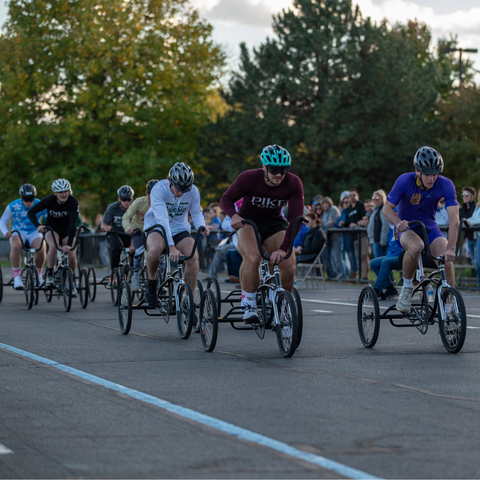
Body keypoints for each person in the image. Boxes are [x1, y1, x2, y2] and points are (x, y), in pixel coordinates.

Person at [220, 144, 304, 323]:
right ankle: (249, 303)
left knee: (289, 265)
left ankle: (283, 305)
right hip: (249, 220)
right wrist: (233, 215)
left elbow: (297, 219)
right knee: (253, 257)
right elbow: (226, 198)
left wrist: (282, 249)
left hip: (274, 222)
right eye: (274, 169)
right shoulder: (249, 177)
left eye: (284, 170)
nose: (279, 174)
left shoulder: (293, 182)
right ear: (264, 166)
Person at [383, 146, 459, 314]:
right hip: (407, 227)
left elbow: (454, 219)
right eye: (427, 174)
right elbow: (386, 209)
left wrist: (451, 248)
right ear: (417, 171)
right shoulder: (404, 180)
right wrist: (398, 222)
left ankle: (449, 307)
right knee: (416, 246)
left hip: (430, 227)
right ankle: (407, 289)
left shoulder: (446, 184)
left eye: (435, 173)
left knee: (446, 257)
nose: (432, 178)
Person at [143, 162, 210, 305]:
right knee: (154, 249)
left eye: (186, 189)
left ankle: (187, 300)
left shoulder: (193, 191)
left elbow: (197, 214)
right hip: (157, 226)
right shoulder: (159, 190)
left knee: (192, 257)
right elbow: (163, 220)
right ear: (170, 182)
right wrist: (171, 246)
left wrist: (202, 227)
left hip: (180, 228)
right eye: (179, 188)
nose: (181, 193)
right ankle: (152, 282)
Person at [28, 179, 80, 288]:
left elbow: (73, 224)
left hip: (67, 230)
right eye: (60, 192)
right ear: (55, 193)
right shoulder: (49, 200)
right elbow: (31, 212)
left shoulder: (73, 202)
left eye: (66, 191)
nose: (64, 194)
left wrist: (69, 245)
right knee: (53, 246)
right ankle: (50, 274)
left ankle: (71, 279)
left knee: (71, 255)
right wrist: (38, 225)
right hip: (52, 229)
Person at [0, 184, 47, 289]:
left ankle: (38, 275)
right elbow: (2, 221)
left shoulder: (40, 204)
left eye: (31, 199)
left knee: (41, 249)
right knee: (16, 246)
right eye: (26, 199)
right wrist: (5, 232)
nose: (29, 202)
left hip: (34, 231)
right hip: (18, 231)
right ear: (21, 197)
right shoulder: (13, 205)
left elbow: (49, 218)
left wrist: (46, 226)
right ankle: (17, 277)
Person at [122, 180, 159, 291]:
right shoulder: (139, 202)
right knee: (139, 250)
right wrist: (128, 228)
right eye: (151, 194)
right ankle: (136, 276)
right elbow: (126, 217)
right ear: (147, 194)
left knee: (160, 255)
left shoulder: (162, 203)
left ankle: (159, 279)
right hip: (138, 230)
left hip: (153, 231)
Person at [101, 185, 134, 274]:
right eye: (124, 199)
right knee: (116, 247)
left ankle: (134, 274)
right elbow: (103, 225)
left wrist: (133, 244)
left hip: (131, 234)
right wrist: (106, 227)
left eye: (129, 199)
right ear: (119, 199)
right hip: (115, 233)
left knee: (135, 250)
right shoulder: (112, 208)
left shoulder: (135, 207)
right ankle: (114, 273)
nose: (126, 202)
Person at [345, 189, 369, 280]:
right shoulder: (349, 209)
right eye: (350, 195)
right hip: (354, 237)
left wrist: (357, 223)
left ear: (357, 196)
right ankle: (360, 277)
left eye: (354, 195)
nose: (352, 197)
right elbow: (347, 222)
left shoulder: (361, 205)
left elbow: (365, 218)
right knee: (358, 257)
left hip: (362, 235)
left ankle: (365, 277)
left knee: (364, 256)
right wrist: (349, 224)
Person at [367, 189, 389, 258]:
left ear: (382, 199)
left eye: (377, 198)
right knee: (377, 261)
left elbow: (385, 226)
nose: (375, 200)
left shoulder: (382, 210)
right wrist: (368, 239)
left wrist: (383, 241)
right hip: (373, 240)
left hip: (379, 241)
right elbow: (371, 226)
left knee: (380, 262)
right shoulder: (374, 210)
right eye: (373, 198)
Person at [459, 186, 477, 266]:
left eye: (467, 195)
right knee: (472, 261)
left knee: (477, 261)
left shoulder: (476, 207)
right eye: (463, 195)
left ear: (473, 196)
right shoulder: (464, 207)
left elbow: (467, 219)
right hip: (467, 238)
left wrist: (460, 210)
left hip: (475, 237)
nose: (464, 197)